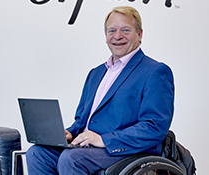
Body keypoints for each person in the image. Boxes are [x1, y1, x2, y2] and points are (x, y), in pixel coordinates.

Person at [26, 6, 175, 174]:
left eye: (125, 30)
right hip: (88, 148)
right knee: (37, 154)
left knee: (72, 158)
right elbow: (82, 121)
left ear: (139, 35)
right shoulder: (95, 73)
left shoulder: (155, 72)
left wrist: (104, 140)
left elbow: (154, 127)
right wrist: (69, 133)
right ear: (106, 36)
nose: (117, 36)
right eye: (112, 31)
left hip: (127, 151)